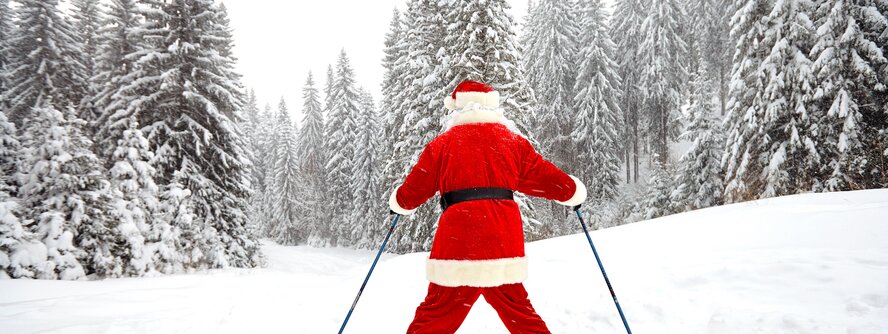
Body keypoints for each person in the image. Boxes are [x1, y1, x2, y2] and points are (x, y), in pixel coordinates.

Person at [388, 80, 586, 334]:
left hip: (458, 243)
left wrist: (399, 204)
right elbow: (544, 176)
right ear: (492, 107)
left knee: (436, 314)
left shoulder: (442, 145)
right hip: (502, 242)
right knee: (520, 313)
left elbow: (413, 191)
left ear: (458, 109)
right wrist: (571, 193)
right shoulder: (511, 143)